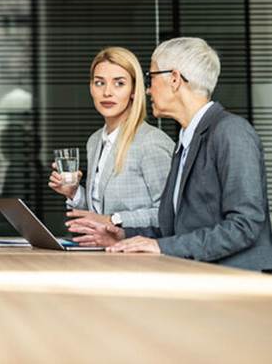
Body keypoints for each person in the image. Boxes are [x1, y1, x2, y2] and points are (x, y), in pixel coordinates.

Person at [68, 37, 272, 271]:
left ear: (174, 79)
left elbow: (245, 225)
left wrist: (162, 247)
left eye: (151, 77)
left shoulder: (231, 132)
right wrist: (122, 235)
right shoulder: (187, 140)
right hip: (199, 274)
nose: (147, 89)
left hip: (236, 281)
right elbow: (177, 227)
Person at [48, 47, 174, 229]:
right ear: (91, 87)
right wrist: (74, 193)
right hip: (105, 251)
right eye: (99, 83)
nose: (107, 92)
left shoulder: (151, 142)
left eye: (119, 83)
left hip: (139, 253)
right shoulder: (95, 141)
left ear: (133, 90)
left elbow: (168, 214)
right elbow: (99, 215)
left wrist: (113, 219)